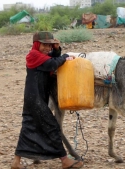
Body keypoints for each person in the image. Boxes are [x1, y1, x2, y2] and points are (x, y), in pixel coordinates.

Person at [11, 31, 84, 169]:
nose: (47, 48)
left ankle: (16, 162)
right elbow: (52, 64)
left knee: (28, 127)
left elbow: (52, 58)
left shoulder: (41, 56)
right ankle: (64, 160)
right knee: (52, 126)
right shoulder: (34, 56)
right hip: (35, 99)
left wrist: (57, 50)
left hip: (34, 98)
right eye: (44, 45)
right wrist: (66, 56)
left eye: (50, 45)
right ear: (37, 44)